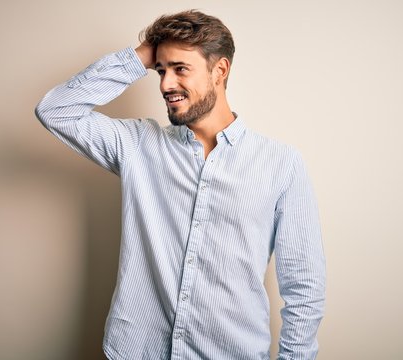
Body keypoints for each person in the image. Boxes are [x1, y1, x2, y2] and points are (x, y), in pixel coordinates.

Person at [35, 10, 325, 360]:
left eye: (180, 69)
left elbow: (304, 287)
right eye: (161, 71)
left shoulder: (281, 165)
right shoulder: (137, 145)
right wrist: (141, 56)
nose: (165, 85)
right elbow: (55, 110)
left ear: (220, 71)